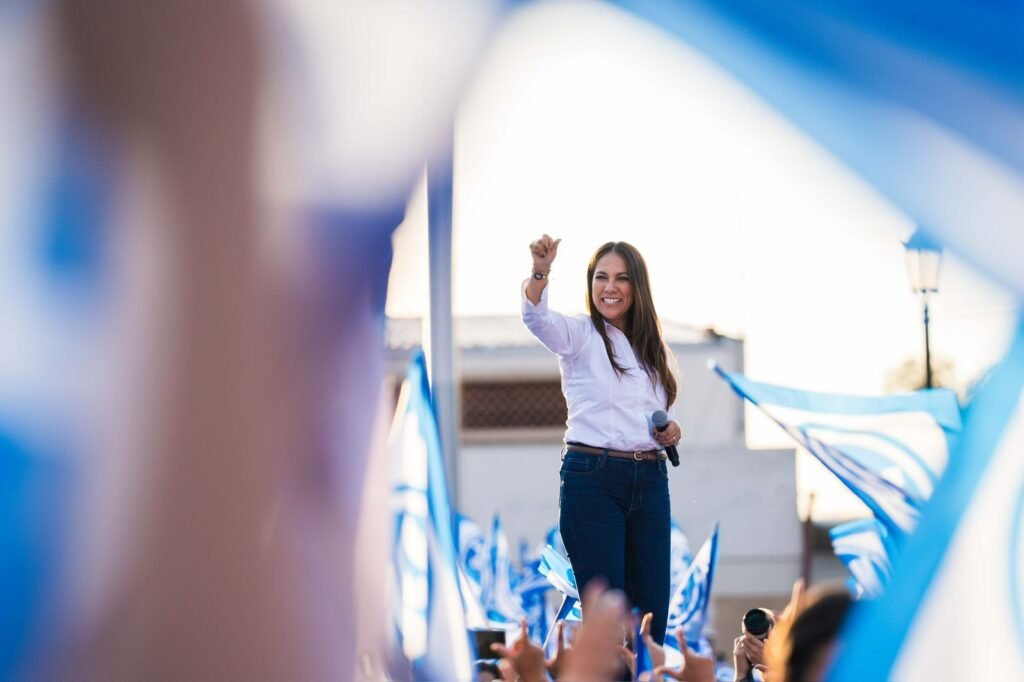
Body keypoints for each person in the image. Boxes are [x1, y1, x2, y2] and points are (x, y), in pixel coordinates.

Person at [522, 234, 682, 644]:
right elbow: (538, 319)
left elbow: (652, 415)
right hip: (593, 480)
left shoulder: (652, 349)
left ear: (637, 287)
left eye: (621, 278)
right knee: (609, 623)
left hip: (649, 482)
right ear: (590, 284)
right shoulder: (580, 334)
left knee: (650, 622)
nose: (609, 287)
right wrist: (541, 271)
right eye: (601, 277)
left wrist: (670, 431)